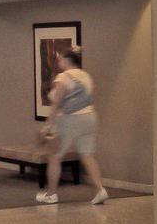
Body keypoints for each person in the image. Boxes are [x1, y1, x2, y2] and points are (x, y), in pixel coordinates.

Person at [37, 46, 109, 207]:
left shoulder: (63, 77)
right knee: (87, 155)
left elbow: (56, 103)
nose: (59, 62)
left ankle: (51, 194)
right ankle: (100, 190)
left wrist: (47, 126)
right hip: (90, 118)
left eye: (61, 59)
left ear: (68, 60)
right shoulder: (86, 76)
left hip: (70, 119)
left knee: (55, 156)